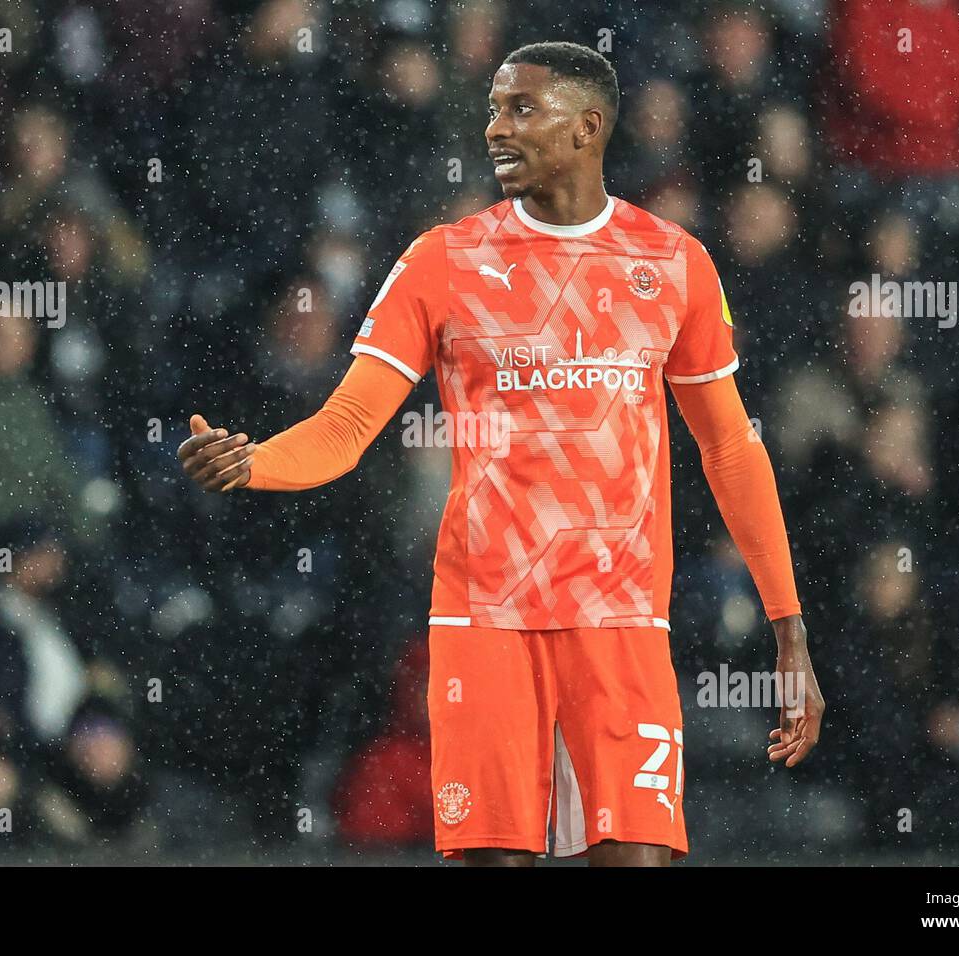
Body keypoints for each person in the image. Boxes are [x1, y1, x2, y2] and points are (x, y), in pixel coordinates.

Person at [178, 41, 824, 867]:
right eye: (492, 108)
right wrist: (255, 462)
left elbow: (730, 446)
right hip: (485, 620)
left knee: (635, 859)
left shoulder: (674, 263)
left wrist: (788, 627)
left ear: (589, 127)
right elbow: (345, 429)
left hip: (619, 624)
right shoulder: (442, 261)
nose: (495, 129)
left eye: (522, 109)